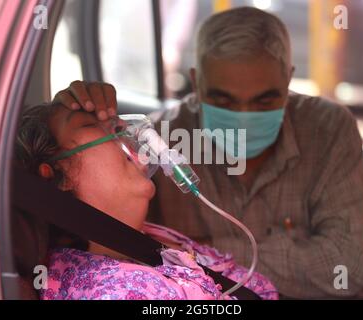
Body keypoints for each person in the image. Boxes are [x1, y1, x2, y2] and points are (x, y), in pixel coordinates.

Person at [54, 7, 363, 298]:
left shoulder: (327, 129)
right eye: (224, 100)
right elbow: (115, 232)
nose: (243, 119)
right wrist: (67, 123)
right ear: (197, 83)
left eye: (263, 100)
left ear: (288, 79)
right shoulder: (162, 139)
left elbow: (346, 266)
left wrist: (196, 254)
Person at [15, 103, 278, 300]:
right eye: (88, 124)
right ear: (58, 177)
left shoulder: (150, 239)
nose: (120, 126)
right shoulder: (114, 293)